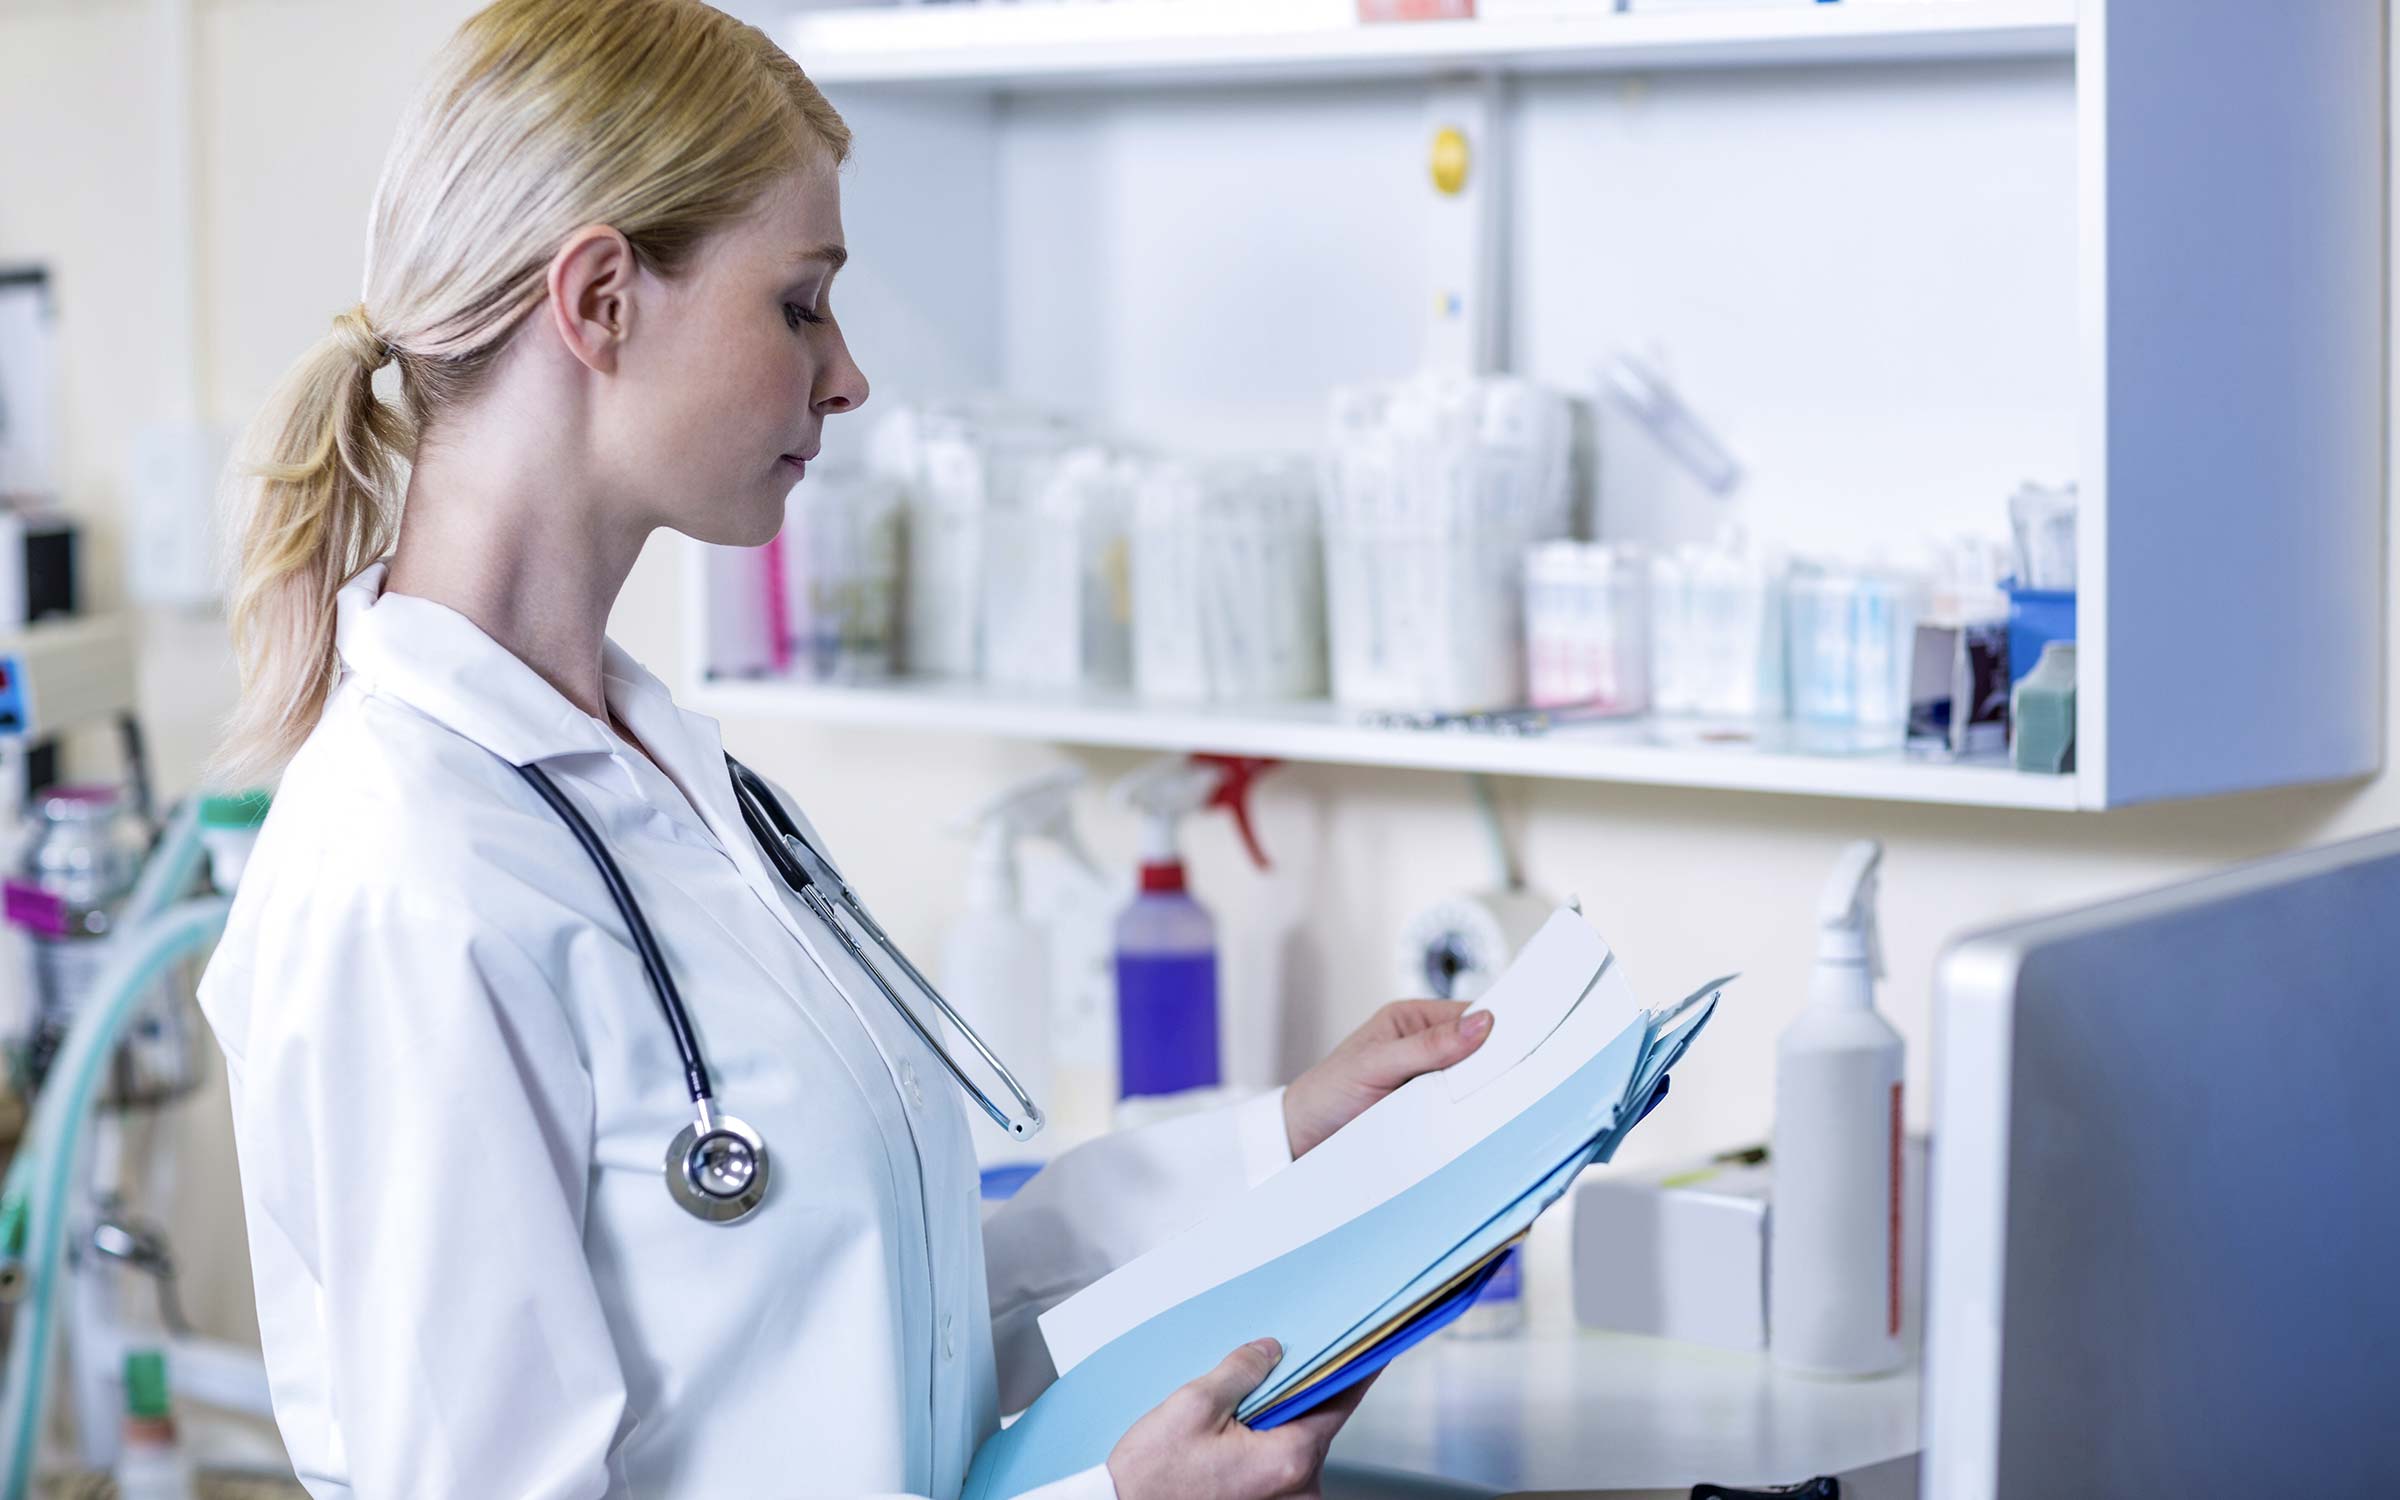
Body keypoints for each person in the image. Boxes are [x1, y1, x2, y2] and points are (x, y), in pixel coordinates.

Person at [194, 3, 1495, 1496]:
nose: (848, 376)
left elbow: (884, 1314)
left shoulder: (661, 785)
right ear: (601, 299)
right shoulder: (407, 875)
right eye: (800, 304)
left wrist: (1281, 1143)